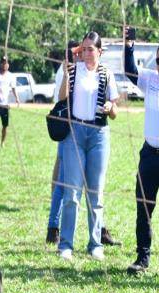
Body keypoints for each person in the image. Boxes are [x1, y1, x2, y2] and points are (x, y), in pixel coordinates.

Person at [57, 32, 119, 261]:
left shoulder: (107, 73)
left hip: (99, 135)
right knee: (72, 193)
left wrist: (110, 106)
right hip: (75, 133)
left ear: (100, 52)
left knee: (96, 193)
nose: (86, 53)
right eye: (83, 49)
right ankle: (65, 244)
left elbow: (115, 111)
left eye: (91, 49)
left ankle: (95, 244)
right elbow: (61, 98)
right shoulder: (73, 71)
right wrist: (65, 74)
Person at [124, 32, 159, 276]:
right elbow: (129, 69)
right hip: (149, 155)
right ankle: (142, 258)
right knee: (144, 209)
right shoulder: (149, 79)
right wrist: (129, 46)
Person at [46, 41, 80, 245]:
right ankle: (54, 226)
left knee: (61, 180)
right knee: (62, 182)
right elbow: (61, 99)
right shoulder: (65, 73)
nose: (79, 56)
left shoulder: (76, 70)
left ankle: (53, 226)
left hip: (81, 132)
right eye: (76, 53)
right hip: (69, 132)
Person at [0, 57, 19, 147]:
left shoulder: (10, 76)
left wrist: (17, 98)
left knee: (5, 124)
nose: (5, 64)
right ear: (0, 64)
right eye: (3, 63)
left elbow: (13, 88)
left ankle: (2, 142)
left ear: (8, 65)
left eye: (6, 63)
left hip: (5, 103)